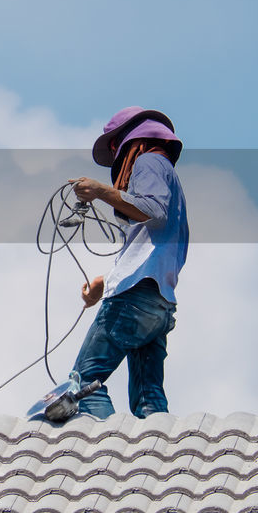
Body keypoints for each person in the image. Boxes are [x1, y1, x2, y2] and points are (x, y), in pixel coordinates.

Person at [67, 106, 188, 419]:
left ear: (130, 142)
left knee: (82, 384)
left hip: (133, 299)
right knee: (150, 401)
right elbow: (149, 254)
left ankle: (108, 456)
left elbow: (153, 211)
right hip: (159, 302)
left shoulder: (148, 161)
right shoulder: (169, 177)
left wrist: (100, 190)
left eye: (115, 149)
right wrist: (104, 283)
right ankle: (156, 455)